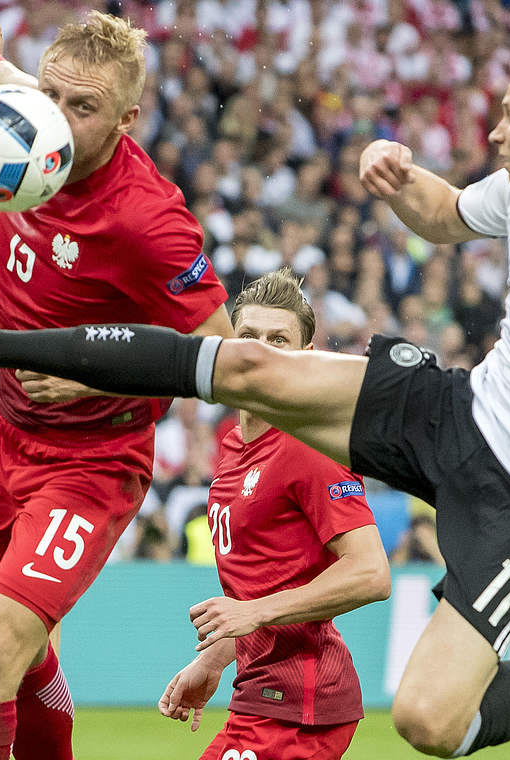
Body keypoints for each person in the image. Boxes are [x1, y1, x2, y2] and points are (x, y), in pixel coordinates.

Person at [0, 35, 510, 756]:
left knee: (430, 724)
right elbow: (449, 215)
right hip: (458, 409)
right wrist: (399, 180)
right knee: (245, 366)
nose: (493, 131)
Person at [0, 11, 233, 760]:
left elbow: (225, 358)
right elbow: (4, 73)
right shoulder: (33, 121)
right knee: (15, 651)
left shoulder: (148, 221)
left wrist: (89, 377)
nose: (58, 116)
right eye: (53, 96)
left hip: (92, 461)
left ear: (126, 119)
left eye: (84, 108)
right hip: (4, 434)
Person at [157, 270, 390, 760]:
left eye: (278, 340)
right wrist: (218, 657)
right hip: (261, 695)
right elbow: (268, 578)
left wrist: (253, 612)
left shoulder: (309, 447)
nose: (261, 351)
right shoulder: (233, 444)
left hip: (300, 704)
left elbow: (371, 573)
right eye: (248, 338)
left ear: (305, 357)